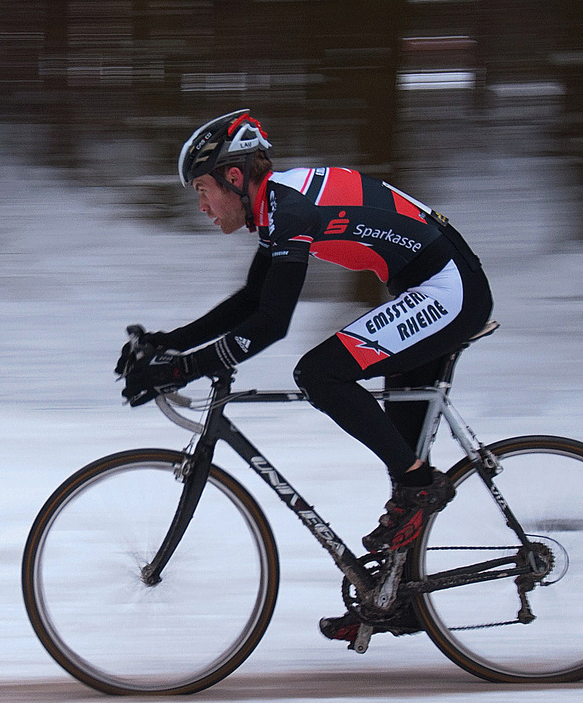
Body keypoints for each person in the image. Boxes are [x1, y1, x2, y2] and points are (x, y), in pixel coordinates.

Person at [118, 110, 494, 614]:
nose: (203, 206)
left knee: (320, 374)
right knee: (401, 455)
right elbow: (255, 298)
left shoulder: (288, 208)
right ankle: (399, 600)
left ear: (234, 177)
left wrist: (180, 369)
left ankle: (421, 487)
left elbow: (272, 324)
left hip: (448, 289)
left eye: (203, 190)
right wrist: (171, 343)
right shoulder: (278, 205)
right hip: (430, 286)